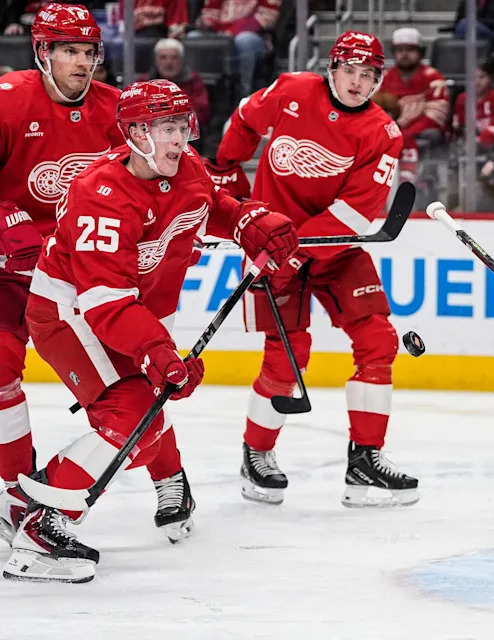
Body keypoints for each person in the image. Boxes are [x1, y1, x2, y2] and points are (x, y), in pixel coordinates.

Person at [2, 79, 297, 583]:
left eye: (183, 126)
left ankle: (162, 477)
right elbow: (106, 301)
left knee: (150, 401)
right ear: (135, 132)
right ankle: (38, 521)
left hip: (133, 310)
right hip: (71, 312)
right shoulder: (101, 195)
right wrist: (157, 351)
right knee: (132, 409)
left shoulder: (188, 169)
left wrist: (249, 220)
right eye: (166, 128)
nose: (179, 139)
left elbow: (209, 206)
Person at [0, 3, 186, 546]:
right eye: (69, 51)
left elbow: (164, 176)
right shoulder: (8, 102)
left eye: (89, 51)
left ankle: (170, 475)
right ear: (43, 53)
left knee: (141, 381)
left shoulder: (116, 109)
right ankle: (15, 490)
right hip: (11, 270)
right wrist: (7, 221)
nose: (83, 62)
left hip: (86, 275)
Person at [210, 31, 419, 508]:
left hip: (335, 249)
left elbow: (356, 212)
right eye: (350, 70)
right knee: (287, 357)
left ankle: (366, 461)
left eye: (369, 75)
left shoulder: (382, 133)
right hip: (268, 237)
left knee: (377, 341)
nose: (358, 82)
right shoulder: (291, 90)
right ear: (332, 68)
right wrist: (225, 169)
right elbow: (243, 118)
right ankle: (256, 454)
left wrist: (298, 251)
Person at [379, 27, 449, 173]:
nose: (404, 54)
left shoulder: (434, 78)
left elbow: (436, 116)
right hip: (392, 130)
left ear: (420, 52)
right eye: (400, 50)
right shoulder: (383, 78)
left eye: (410, 50)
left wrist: (406, 131)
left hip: (419, 132)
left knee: (433, 134)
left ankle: (425, 180)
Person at [196, 0, 281, 96]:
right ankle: (199, 91)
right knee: (193, 37)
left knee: (244, 41)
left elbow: (267, 17)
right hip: (220, 34)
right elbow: (211, 11)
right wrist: (207, 23)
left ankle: (243, 91)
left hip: (255, 36)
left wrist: (231, 32)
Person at [141, 38, 211, 130]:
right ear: (156, 60)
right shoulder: (144, 82)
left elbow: (202, 114)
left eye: (174, 57)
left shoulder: (194, 81)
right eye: (163, 57)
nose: (169, 63)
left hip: (187, 134)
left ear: (182, 60)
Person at [451, 58, 494, 151]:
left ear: (490, 78)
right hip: (468, 145)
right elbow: (458, 126)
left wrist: (481, 140)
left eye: (482, 77)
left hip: (493, 145)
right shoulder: (462, 99)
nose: (477, 82)